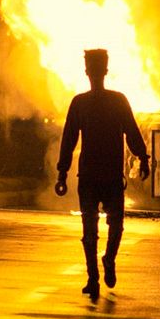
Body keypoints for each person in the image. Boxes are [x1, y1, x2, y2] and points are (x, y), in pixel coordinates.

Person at [54, 49, 151, 301]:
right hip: (88, 176)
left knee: (116, 225)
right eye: (92, 68)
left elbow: (131, 131)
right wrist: (62, 171)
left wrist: (143, 158)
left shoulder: (117, 100)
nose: (95, 73)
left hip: (109, 176)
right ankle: (93, 278)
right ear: (87, 72)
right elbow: (69, 138)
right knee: (89, 230)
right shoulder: (80, 102)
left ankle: (108, 259)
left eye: (98, 68)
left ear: (104, 71)